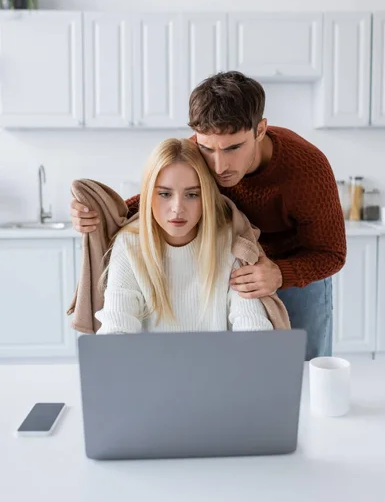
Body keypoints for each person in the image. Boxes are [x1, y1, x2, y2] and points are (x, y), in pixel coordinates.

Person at [71, 71, 346, 358]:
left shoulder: (308, 169)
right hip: (238, 255)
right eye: (206, 148)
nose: (217, 166)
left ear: (260, 129)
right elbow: (159, 193)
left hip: (294, 265)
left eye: (233, 148)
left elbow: (332, 253)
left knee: (306, 367)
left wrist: (280, 274)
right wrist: (100, 215)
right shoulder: (201, 151)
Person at [95, 138, 274, 334]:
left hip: (217, 363)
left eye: (192, 195)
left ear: (206, 197)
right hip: (150, 364)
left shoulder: (230, 242)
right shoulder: (129, 244)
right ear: (148, 195)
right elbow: (116, 327)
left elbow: (252, 324)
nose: (178, 208)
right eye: (164, 194)